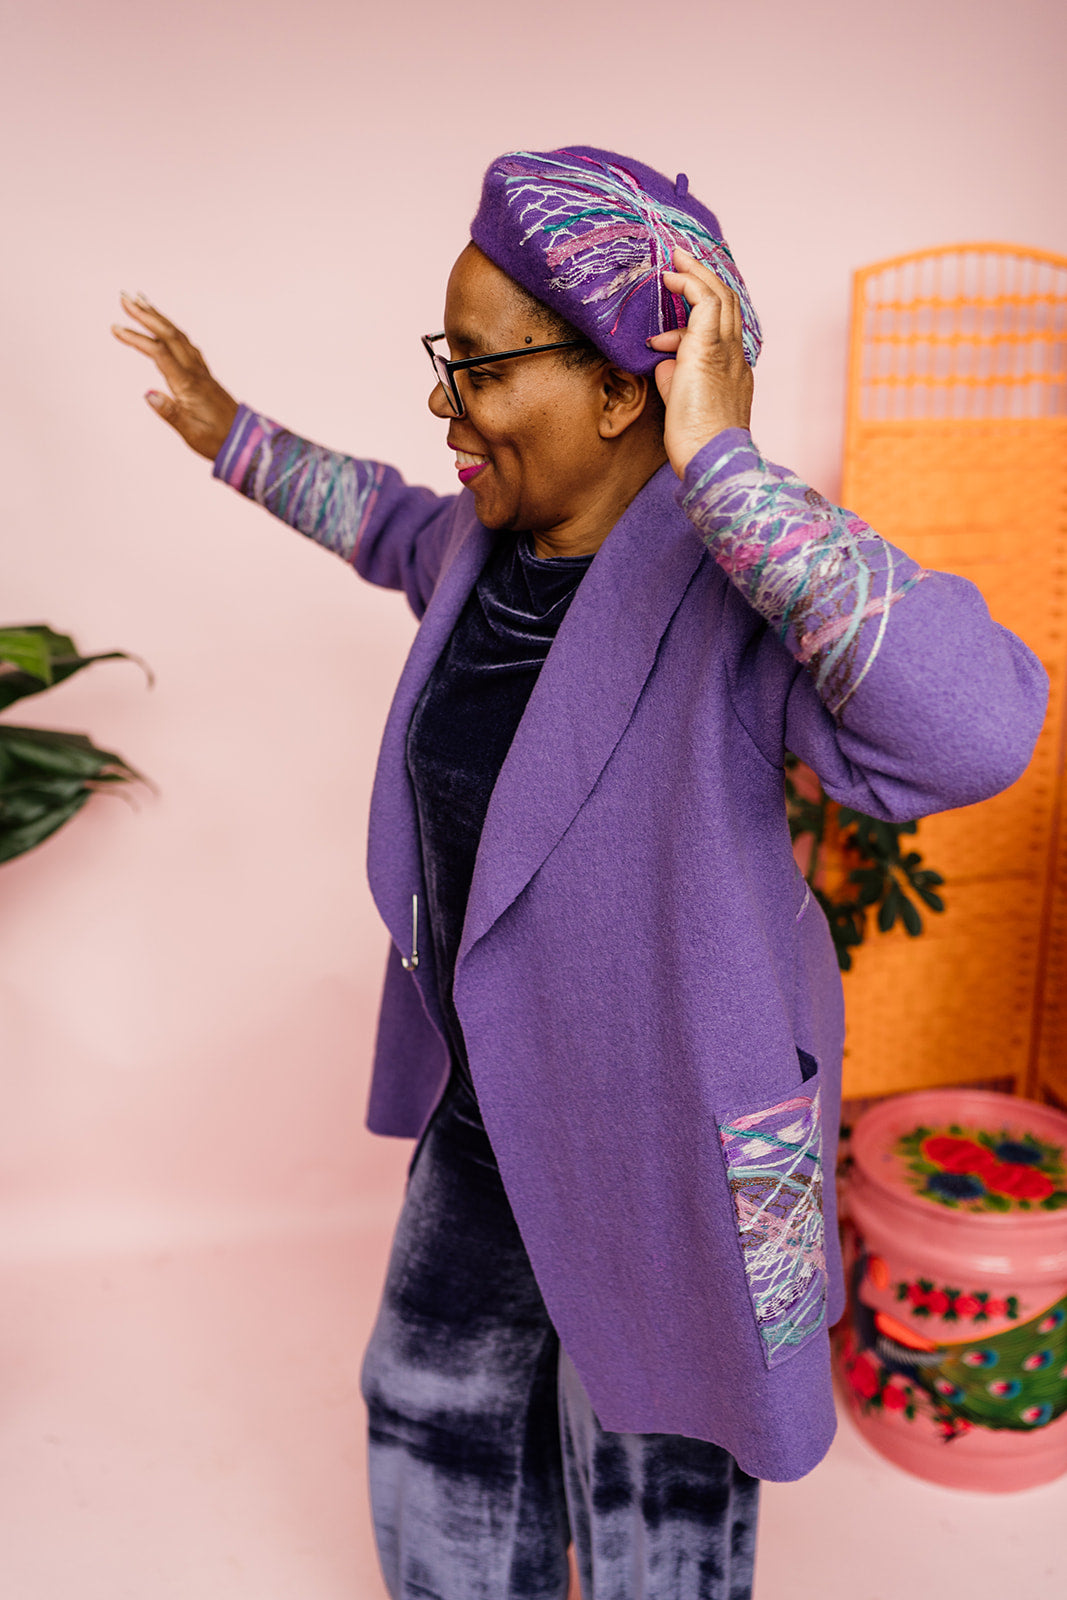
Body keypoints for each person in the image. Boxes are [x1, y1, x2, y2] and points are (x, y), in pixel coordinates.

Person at [112, 145, 1048, 1600]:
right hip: (490, 1105)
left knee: (658, 1478)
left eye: (479, 369)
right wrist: (230, 432)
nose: (446, 407)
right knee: (431, 1404)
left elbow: (977, 725)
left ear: (620, 392)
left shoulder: (739, 596)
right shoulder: (484, 547)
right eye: (447, 362)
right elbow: (379, 518)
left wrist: (726, 470)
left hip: (678, 1139)